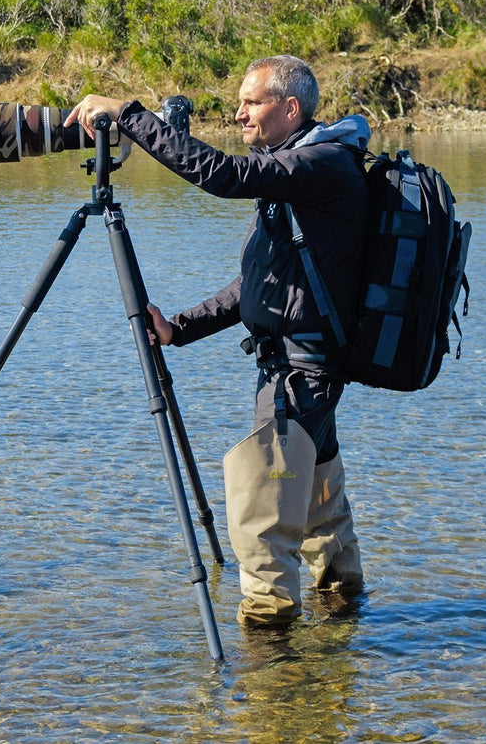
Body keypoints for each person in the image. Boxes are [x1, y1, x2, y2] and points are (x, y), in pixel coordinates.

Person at [66, 55, 370, 627]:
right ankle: (345, 617)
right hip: (307, 368)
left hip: (298, 373)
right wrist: (181, 328)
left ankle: (268, 653)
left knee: (262, 517)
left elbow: (223, 176)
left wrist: (129, 115)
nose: (239, 115)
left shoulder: (320, 163)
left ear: (290, 108)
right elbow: (263, 280)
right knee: (318, 501)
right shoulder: (299, 167)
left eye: (251, 103)